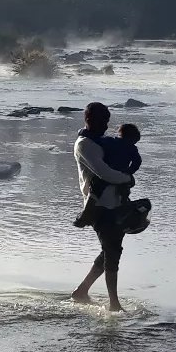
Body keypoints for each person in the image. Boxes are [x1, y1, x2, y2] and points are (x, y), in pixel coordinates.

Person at [71, 102, 134, 311]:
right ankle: (114, 304)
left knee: (110, 250)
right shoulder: (84, 145)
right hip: (99, 206)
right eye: (101, 121)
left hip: (115, 203)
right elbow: (103, 172)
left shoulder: (103, 142)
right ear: (88, 119)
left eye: (107, 121)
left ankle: (81, 291)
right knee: (112, 252)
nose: (105, 125)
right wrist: (127, 178)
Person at [73, 122, 141, 227]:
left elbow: (96, 140)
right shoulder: (132, 148)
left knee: (96, 189)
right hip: (119, 172)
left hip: (110, 170)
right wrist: (129, 172)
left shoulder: (111, 141)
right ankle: (123, 210)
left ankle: (87, 213)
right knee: (123, 191)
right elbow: (137, 162)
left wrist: (82, 132)